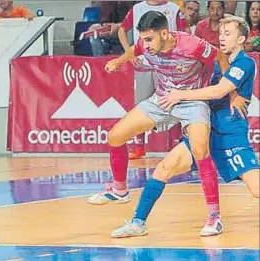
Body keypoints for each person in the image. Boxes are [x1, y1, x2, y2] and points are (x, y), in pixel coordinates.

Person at [109, 15, 259, 239]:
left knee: (256, 189)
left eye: (228, 34)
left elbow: (218, 91)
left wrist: (180, 95)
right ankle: (138, 222)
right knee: (164, 167)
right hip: (206, 125)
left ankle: (214, 217)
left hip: (229, 133)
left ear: (241, 39)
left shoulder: (245, 62)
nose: (222, 38)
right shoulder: (217, 61)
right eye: (220, 34)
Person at [88, 11, 229, 236]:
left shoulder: (192, 45)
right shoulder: (147, 44)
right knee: (115, 135)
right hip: (162, 99)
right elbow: (136, 49)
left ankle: (214, 216)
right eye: (143, 38)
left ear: (164, 33)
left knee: (200, 150)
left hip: (193, 101)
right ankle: (119, 190)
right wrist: (119, 60)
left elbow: (220, 57)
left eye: (149, 39)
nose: (145, 44)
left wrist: (225, 88)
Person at [118, 0, 189, 159]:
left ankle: (177, 144)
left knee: (173, 102)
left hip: (168, 64)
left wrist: (180, 56)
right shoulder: (137, 8)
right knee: (141, 105)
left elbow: (186, 32)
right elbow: (122, 30)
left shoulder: (173, 8)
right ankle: (139, 147)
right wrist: (129, 55)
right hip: (144, 64)